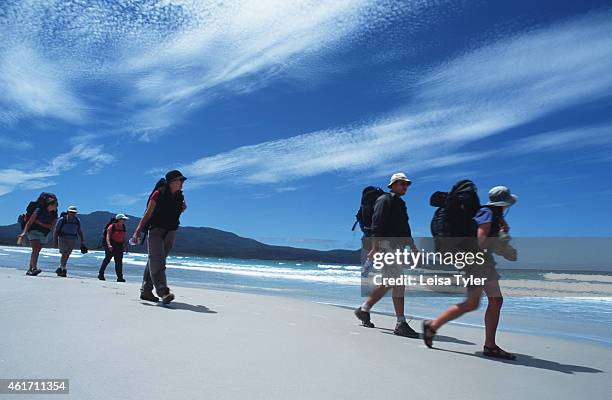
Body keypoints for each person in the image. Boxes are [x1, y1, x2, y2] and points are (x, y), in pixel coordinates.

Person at [422, 186, 518, 360]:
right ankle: (488, 345)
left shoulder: (489, 214)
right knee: (485, 302)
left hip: (478, 263)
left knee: (485, 302)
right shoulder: (487, 214)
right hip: (478, 264)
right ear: (504, 203)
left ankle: (434, 326)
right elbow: (481, 241)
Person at [354, 172, 420, 337]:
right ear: (394, 184)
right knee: (398, 282)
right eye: (402, 184)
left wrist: (412, 247)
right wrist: (376, 248)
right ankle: (400, 323)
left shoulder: (400, 203)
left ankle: (364, 309)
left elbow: (405, 228)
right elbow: (377, 225)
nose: (405, 187)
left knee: (390, 281)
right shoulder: (385, 200)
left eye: (407, 184)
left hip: (395, 246)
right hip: (386, 246)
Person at [132, 170, 187, 304]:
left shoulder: (180, 196)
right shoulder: (158, 193)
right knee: (158, 260)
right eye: (180, 180)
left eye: (182, 180)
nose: (182, 183)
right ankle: (163, 291)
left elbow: (180, 210)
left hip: (171, 231)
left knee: (154, 260)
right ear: (171, 182)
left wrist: (183, 208)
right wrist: (137, 231)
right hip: (156, 230)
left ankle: (146, 291)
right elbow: (148, 213)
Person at [18, 194, 58, 276]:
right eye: (55, 205)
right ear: (50, 204)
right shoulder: (39, 210)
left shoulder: (54, 214)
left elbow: (51, 227)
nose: (56, 207)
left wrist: (39, 223)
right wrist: (24, 232)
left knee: (36, 251)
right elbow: (29, 222)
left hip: (44, 234)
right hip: (33, 231)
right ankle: (34, 268)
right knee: (36, 249)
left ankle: (30, 269)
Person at [53, 206, 85, 277]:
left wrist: (82, 241)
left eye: (74, 212)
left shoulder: (77, 220)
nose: (73, 213)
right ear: (68, 212)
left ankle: (61, 268)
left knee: (67, 254)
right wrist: (55, 240)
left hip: (72, 239)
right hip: (62, 238)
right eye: (71, 212)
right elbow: (56, 230)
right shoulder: (62, 220)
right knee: (64, 253)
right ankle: (63, 269)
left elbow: (79, 231)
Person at [98, 214, 129, 282]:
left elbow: (124, 237)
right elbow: (108, 236)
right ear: (119, 219)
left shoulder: (123, 227)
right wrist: (109, 245)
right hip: (111, 244)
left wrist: (126, 246)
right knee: (107, 260)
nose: (124, 221)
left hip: (119, 245)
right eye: (123, 219)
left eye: (124, 219)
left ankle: (120, 277)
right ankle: (101, 274)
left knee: (119, 262)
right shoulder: (112, 226)